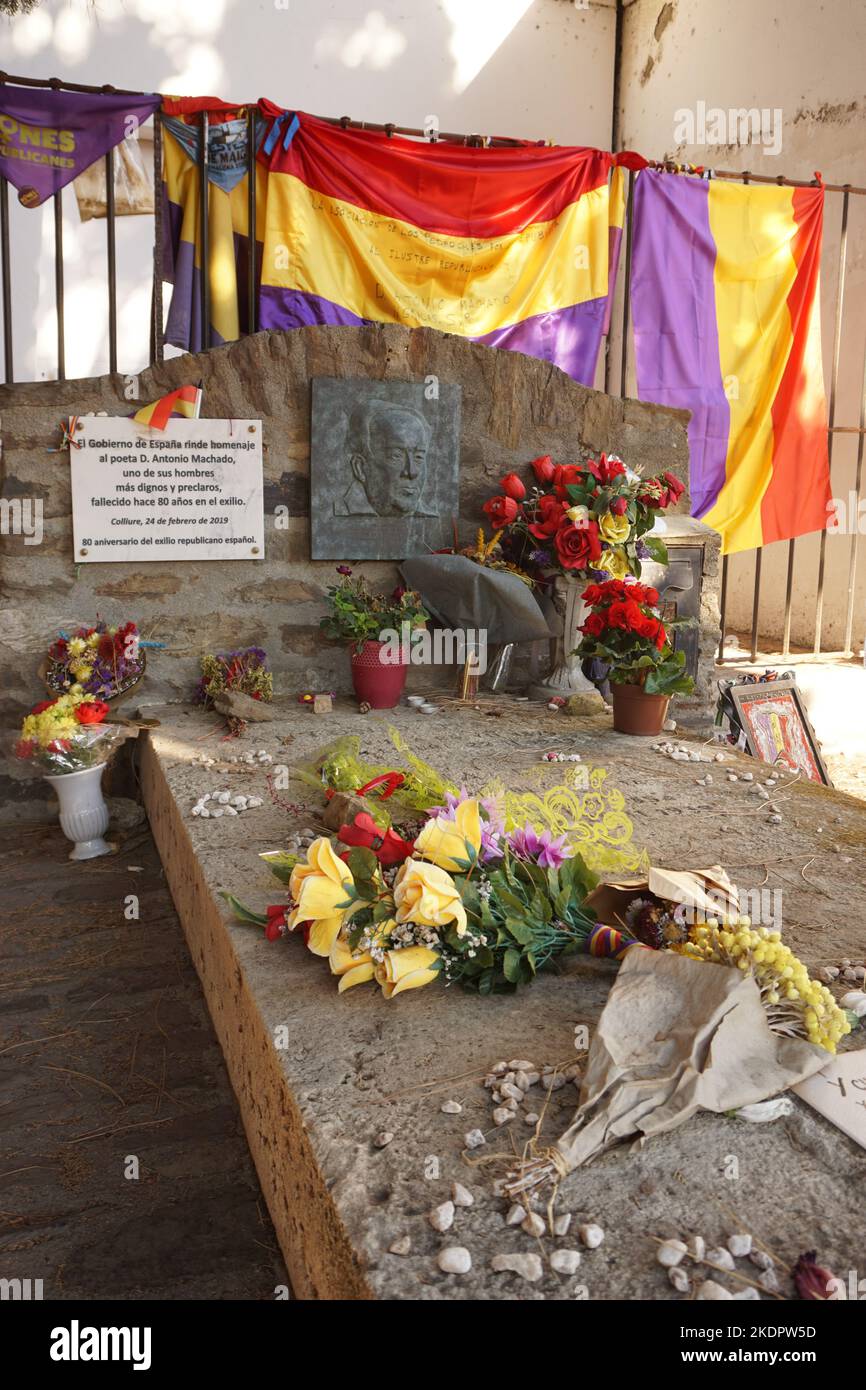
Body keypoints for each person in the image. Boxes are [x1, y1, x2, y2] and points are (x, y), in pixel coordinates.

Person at [334, 399, 435, 517]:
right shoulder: (336, 512)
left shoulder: (431, 517)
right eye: (396, 456)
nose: (412, 472)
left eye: (419, 457)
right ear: (360, 468)